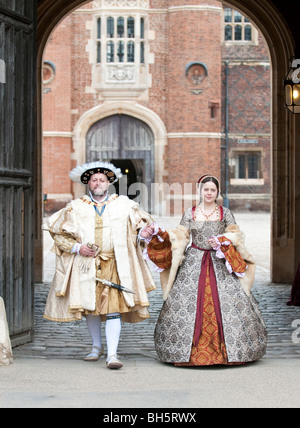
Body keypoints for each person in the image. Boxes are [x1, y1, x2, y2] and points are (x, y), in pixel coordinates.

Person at [42, 161, 156, 369]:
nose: (98, 183)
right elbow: (58, 231)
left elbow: (138, 228)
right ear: (88, 183)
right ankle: (96, 347)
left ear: (108, 182)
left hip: (115, 263)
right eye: (94, 180)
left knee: (114, 308)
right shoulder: (75, 207)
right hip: (87, 265)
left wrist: (143, 233)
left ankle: (112, 354)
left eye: (102, 180)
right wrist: (78, 248)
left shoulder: (124, 204)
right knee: (91, 306)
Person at [148, 174, 267, 366]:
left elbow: (236, 235)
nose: (209, 193)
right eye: (206, 190)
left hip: (220, 260)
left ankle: (232, 351)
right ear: (200, 191)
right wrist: (159, 234)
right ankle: (185, 352)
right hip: (195, 259)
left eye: (213, 190)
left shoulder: (225, 213)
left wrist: (222, 240)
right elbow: (181, 235)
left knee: (231, 302)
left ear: (217, 192)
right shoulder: (190, 213)